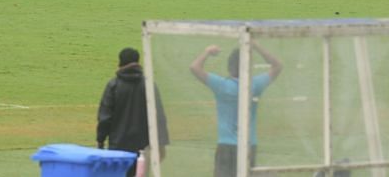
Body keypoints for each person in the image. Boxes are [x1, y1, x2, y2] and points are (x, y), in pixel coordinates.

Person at [190, 42, 282, 177]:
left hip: (226, 145)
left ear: (229, 67)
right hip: (249, 145)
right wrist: (256, 46)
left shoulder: (222, 85)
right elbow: (277, 66)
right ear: (248, 68)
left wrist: (208, 52)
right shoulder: (255, 85)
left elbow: (194, 67)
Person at [97, 48, 170, 177]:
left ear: (120, 62)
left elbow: (105, 118)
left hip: (117, 147)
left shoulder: (114, 85)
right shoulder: (149, 85)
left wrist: (100, 140)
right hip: (143, 147)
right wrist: (162, 142)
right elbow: (159, 116)